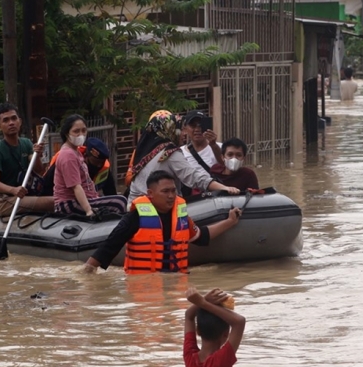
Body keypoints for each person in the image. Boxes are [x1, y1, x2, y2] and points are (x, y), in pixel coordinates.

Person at [83, 170, 242, 273]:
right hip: (143, 287)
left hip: (175, 285)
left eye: (173, 191)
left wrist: (230, 221)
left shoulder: (180, 216)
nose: (171, 196)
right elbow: (108, 248)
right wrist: (86, 275)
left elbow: (201, 237)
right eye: (165, 191)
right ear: (150, 194)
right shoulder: (135, 217)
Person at [125, 110, 240, 201]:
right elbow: (194, 177)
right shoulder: (169, 152)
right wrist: (224, 188)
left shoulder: (145, 153)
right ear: (169, 130)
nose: (183, 134)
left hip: (136, 207)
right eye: (179, 129)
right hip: (156, 211)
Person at [0, 102, 54, 216]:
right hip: (3, 199)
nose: (11, 123)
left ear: (20, 121)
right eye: (6, 120)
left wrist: (37, 155)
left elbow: (38, 170)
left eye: (13, 118)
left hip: (24, 194)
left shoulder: (26, 143)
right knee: (53, 202)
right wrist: (13, 190)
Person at [52, 115, 126, 217]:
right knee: (119, 202)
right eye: (76, 131)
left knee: (119, 201)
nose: (81, 134)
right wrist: (88, 210)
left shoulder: (76, 151)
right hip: (69, 203)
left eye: (83, 130)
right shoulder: (68, 155)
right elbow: (76, 186)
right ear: (66, 133)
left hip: (86, 199)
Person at [183, 287, 245, 367]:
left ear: (197, 330)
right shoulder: (221, 360)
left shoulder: (189, 357)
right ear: (226, 334)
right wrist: (203, 303)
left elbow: (188, 316)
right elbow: (240, 321)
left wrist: (204, 300)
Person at [42, 137, 117, 197]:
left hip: (89, 200)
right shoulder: (68, 161)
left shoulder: (104, 168)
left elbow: (111, 192)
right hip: (64, 201)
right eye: (95, 162)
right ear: (85, 156)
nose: (98, 165)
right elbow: (46, 185)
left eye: (101, 162)